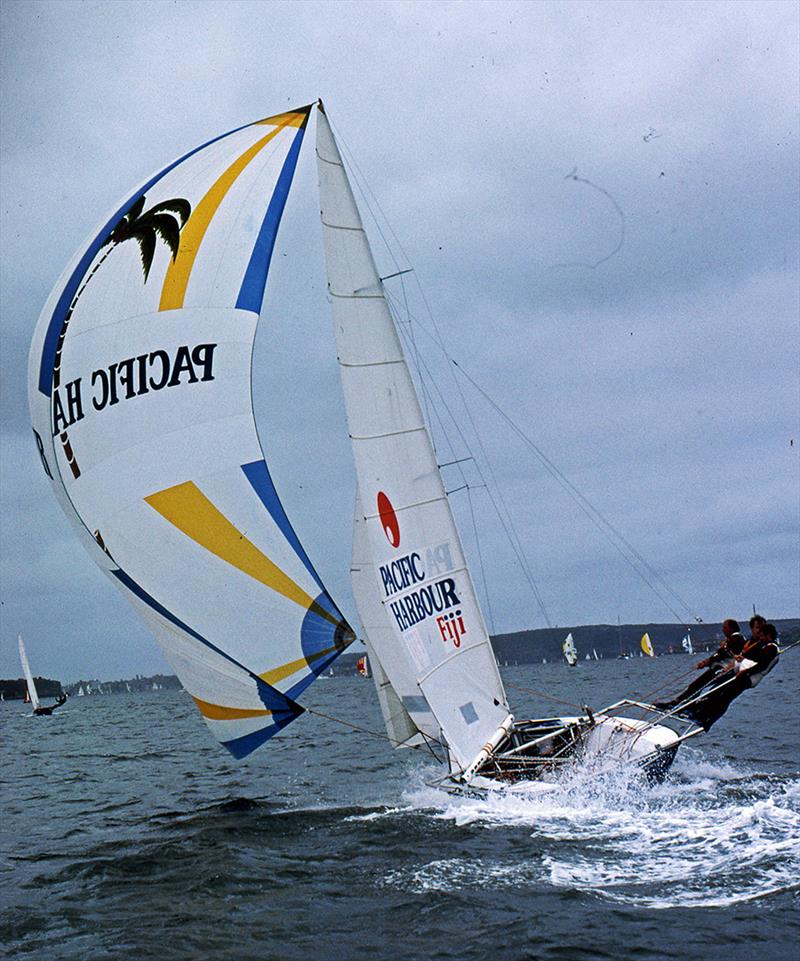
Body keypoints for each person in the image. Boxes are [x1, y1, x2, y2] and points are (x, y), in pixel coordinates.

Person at [664, 622, 780, 731]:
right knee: (716, 692)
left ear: (768, 635)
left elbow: (761, 666)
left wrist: (745, 672)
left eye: (762, 636)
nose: (760, 638)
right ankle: (695, 711)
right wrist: (741, 658)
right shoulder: (764, 646)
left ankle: (706, 720)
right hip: (740, 673)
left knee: (724, 697)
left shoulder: (772, 648)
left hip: (747, 678)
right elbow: (749, 657)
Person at [654, 618, 745, 711]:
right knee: (697, 686)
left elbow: (721, 654)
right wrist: (706, 662)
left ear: (732, 629)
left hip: (723, 669)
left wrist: (706, 662)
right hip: (720, 668)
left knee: (697, 686)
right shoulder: (733, 639)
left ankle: (678, 704)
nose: (723, 630)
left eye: (725, 628)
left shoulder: (736, 638)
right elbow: (721, 653)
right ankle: (685, 705)